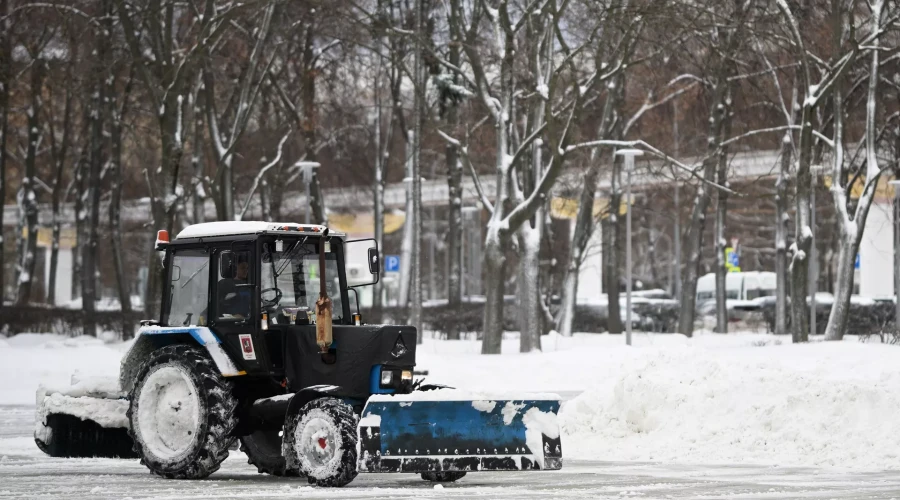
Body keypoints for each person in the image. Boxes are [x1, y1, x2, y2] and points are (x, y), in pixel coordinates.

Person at [219, 253, 251, 318]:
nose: (246, 271)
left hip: (248, 319)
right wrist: (233, 317)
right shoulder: (224, 284)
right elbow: (219, 303)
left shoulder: (250, 284)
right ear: (235, 268)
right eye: (242, 268)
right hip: (232, 321)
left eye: (247, 268)